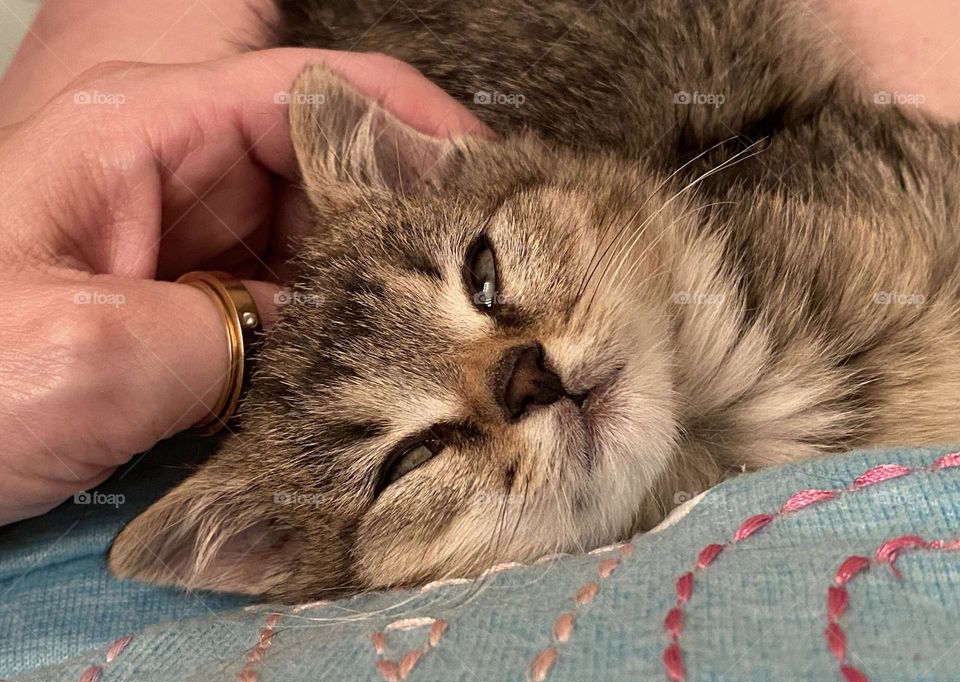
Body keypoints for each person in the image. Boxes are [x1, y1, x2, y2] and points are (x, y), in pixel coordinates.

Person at [0, 0, 956, 525]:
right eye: (410, 454)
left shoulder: (846, 248)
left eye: (484, 281)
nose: (517, 377)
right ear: (281, 550)